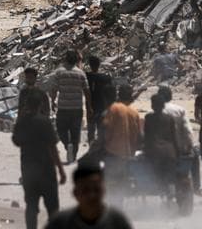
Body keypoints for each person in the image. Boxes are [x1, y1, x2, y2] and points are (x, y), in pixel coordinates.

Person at [12, 86, 66, 229]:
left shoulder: (22, 122)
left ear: (27, 105)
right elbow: (53, 148)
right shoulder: (45, 122)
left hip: (28, 170)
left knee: (31, 207)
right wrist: (61, 170)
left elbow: (16, 141)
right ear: (41, 104)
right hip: (47, 170)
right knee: (53, 208)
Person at [45, 163, 134, 229]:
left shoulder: (117, 222)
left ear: (104, 191)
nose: (92, 195)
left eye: (96, 189)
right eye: (85, 190)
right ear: (75, 193)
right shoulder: (60, 223)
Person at [50, 50, 91, 165]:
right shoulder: (81, 73)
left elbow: (54, 89)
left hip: (63, 107)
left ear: (66, 59)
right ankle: (74, 155)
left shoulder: (59, 72)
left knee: (61, 129)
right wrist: (90, 106)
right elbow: (87, 90)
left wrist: (53, 101)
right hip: (77, 108)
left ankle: (68, 145)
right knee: (75, 132)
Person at [158, 85, 200, 194]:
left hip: (159, 151)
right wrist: (190, 146)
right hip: (178, 151)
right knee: (195, 154)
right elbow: (188, 132)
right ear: (171, 96)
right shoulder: (179, 110)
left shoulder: (152, 112)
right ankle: (196, 187)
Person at [100, 84, 142, 187]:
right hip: (129, 154)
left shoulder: (112, 110)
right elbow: (138, 136)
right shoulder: (135, 113)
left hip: (113, 154)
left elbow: (105, 134)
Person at [142, 93, 183, 194]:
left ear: (152, 105)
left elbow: (147, 136)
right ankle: (171, 194)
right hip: (169, 152)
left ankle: (159, 190)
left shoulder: (148, 118)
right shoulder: (169, 118)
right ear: (163, 105)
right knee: (170, 176)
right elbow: (174, 137)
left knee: (155, 174)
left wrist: (144, 149)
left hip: (154, 152)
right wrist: (178, 153)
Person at [85, 56, 115, 146]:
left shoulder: (87, 76)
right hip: (102, 106)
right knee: (101, 129)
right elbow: (111, 92)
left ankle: (91, 148)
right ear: (99, 65)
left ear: (90, 65)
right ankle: (101, 148)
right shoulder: (106, 78)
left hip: (90, 106)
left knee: (91, 130)